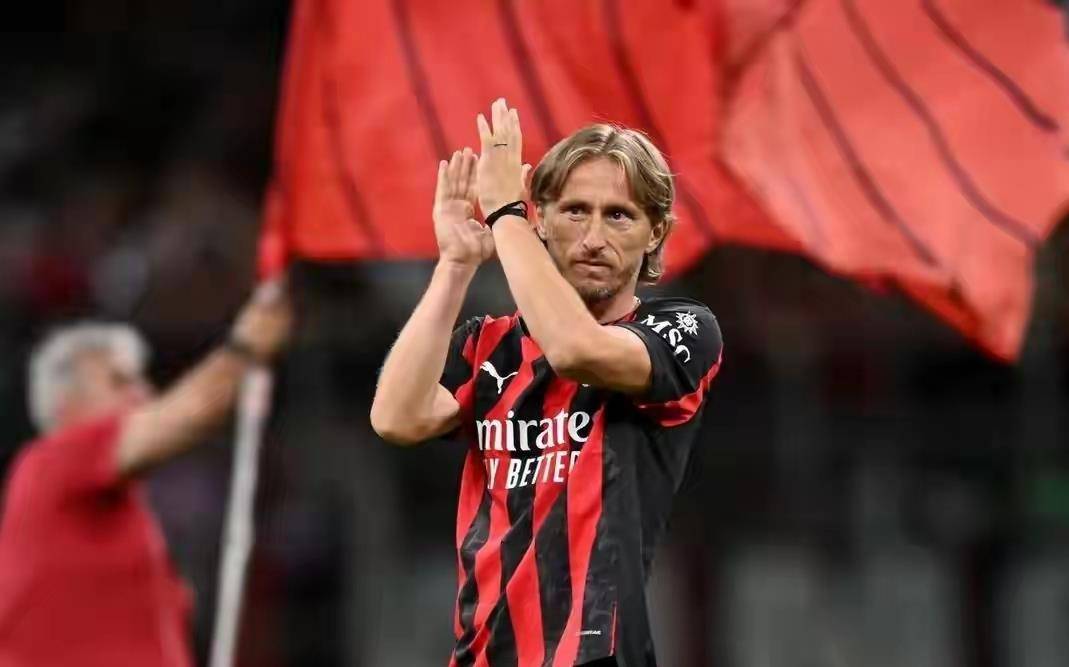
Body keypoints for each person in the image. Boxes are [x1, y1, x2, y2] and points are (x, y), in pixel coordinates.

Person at [372, 99, 723, 667]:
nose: (593, 237)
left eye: (619, 216)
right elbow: (396, 418)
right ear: (544, 220)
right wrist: (456, 265)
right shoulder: (489, 345)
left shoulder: (682, 329)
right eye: (575, 211)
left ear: (655, 233)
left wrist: (505, 215)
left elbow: (575, 349)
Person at [0, 280, 292, 667]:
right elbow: (190, 413)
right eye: (119, 382)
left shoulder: (125, 513)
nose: (143, 394)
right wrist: (245, 349)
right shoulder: (51, 462)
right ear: (65, 402)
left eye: (141, 379)